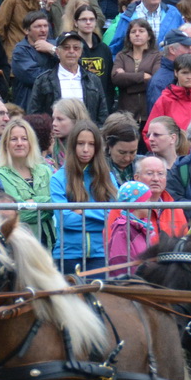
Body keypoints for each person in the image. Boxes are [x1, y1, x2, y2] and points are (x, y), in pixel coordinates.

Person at [49, 118, 115, 275]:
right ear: (73, 145)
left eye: (91, 144)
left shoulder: (108, 178)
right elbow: (65, 220)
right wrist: (100, 217)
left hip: (101, 254)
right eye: (80, 143)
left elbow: (114, 217)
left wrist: (82, 211)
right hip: (67, 255)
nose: (86, 149)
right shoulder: (58, 178)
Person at [0, 116, 54, 249]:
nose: (19, 143)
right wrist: (47, 205)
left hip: (50, 243)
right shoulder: (0, 174)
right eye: (14, 139)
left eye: (24, 139)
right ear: (6, 144)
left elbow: (57, 203)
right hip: (20, 246)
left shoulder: (45, 170)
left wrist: (32, 203)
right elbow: (18, 213)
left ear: (31, 143)